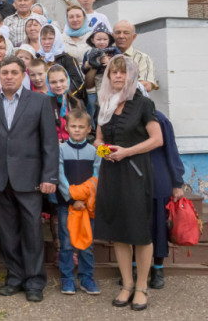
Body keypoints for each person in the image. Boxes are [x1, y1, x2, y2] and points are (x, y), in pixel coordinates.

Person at [0, 55, 59, 302]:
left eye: (14, 72)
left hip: (31, 178)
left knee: (32, 232)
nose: (9, 77)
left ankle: (34, 281)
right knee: (7, 233)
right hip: (0, 180)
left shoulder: (40, 102)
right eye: (5, 73)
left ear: (24, 75)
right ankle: (14, 277)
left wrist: (50, 176)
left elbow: (50, 143)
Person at [93, 55, 163, 311]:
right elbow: (98, 140)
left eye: (123, 72)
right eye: (114, 73)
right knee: (119, 231)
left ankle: (142, 287)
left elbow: (157, 140)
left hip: (136, 173)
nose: (118, 76)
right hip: (111, 173)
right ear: (109, 76)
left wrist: (126, 152)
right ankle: (126, 284)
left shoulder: (144, 104)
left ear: (131, 75)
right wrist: (106, 152)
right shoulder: (105, 104)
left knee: (140, 232)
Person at [53, 108, 101, 296]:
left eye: (81, 127)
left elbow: (97, 176)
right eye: (73, 126)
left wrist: (85, 199)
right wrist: (72, 198)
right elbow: (59, 175)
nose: (77, 130)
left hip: (87, 207)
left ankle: (86, 278)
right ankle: (67, 278)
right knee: (66, 242)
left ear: (89, 129)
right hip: (68, 205)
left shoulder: (94, 151)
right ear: (67, 127)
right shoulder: (61, 150)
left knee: (87, 243)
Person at [148, 111, 186, 289]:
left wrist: (177, 182)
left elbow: (171, 149)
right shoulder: (122, 116)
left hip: (159, 178)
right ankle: (133, 266)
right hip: (134, 180)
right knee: (136, 224)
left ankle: (158, 268)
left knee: (159, 226)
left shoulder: (159, 119)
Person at [38, 24, 86, 99]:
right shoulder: (37, 58)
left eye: (50, 38)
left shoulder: (66, 58)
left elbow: (79, 83)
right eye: (43, 39)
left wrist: (63, 94)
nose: (46, 42)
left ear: (57, 39)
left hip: (65, 100)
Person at [113, 21, 158, 92]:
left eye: (126, 33)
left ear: (134, 37)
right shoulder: (104, 55)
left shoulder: (143, 58)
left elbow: (147, 85)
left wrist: (116, 87)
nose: (121, 36)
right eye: (118, 32)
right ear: (112, 36)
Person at [46, 64, 85, 142]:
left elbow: (83, 128)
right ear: (47, 83)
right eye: (53, 82)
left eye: (62, 81)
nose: (58, 85)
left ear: (68, 80)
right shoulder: (43, 104)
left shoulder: (76, 103)